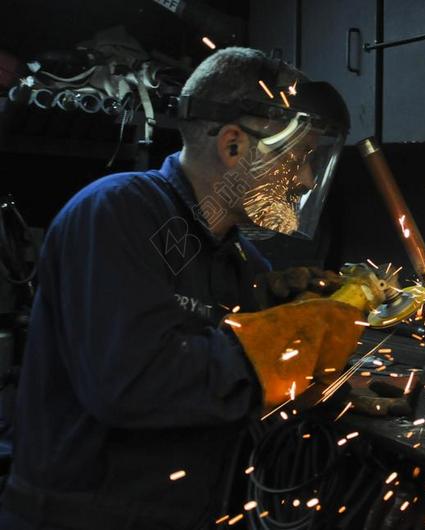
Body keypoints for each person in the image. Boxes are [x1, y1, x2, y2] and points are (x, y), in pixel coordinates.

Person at [0, 47, 379, 529]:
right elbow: (130, 382)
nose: (305, 179)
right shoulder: (117, 212)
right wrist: (276, 344)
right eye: (298, 158)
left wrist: (289, 315)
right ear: (234, 146)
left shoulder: (240, 257)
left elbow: (215, 348)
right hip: (80, 517)